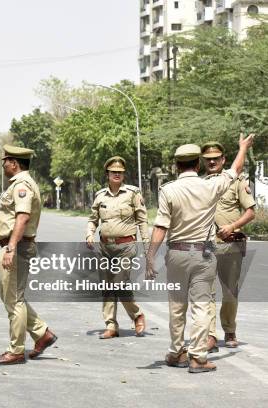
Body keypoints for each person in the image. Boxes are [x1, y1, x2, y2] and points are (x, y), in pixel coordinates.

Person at [146, 134, 254, 374]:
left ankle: (176, 352)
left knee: (176, 305)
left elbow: (161, 227)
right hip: (204, 255)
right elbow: (235, 169)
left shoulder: (168, 190)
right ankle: (198, 357)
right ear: (198, 164)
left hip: (176, 254)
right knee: (202, 306)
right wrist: (243, 147)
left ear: (176, 166)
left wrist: (150, 256)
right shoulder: (211, 185)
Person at [0, 145, 57, 365]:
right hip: (16, 245)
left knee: (14, 300)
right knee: (11, 297)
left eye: (5, 161)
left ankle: (16, 350)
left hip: (17, 247)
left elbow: (22, 217)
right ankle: (42, 333)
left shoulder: (22, 185)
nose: (3, 165)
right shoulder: (20, 183)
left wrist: (10, 248)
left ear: (14, 163)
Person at [201, 142, 256, 352]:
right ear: (203, 162)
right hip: (205, 246)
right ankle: (210, 335)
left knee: (230, 291)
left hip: (230, 245)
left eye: (216, 158)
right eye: (208, 159)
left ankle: (229, 329)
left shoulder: (237, 182)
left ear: (224, 160)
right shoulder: (199, 184)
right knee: (206, 291)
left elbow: (250, 212)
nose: (212, 161)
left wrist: (232, 226)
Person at [86, 156, 148, 339]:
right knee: (107, 286)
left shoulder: (132, 193)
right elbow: (92, 219)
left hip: (126, 246)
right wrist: (89, 233)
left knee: (119, 284)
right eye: (114, 172)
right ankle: (111, 325)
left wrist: (147, 246)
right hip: (105, 246)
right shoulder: (100, 196)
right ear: (107, 174)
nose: (117, 175)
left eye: (120, 172)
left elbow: (143, 221)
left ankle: (137, 315)